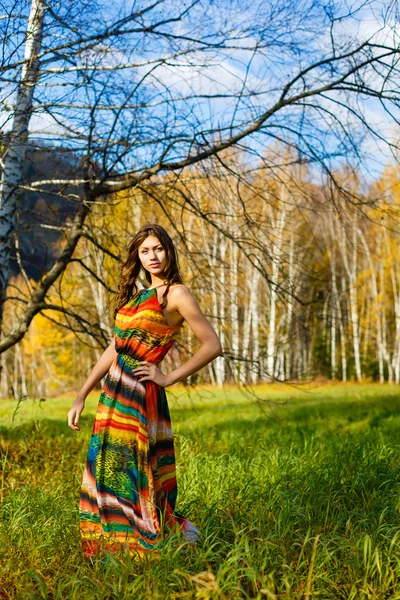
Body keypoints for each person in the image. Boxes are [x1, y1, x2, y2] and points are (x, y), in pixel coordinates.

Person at [68, 223, 223, 560]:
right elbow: (116, 348)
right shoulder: (137, 297)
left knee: (139, 469)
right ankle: (113, 546)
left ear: (168, 251)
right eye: (145, 251)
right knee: (108, 469)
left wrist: (167, 377)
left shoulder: (177, 294)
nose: (152, 256)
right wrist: (82, 394)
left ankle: (154, 539)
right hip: (113, 396)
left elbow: (212, 345)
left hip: (141, 395)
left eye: (158, 249)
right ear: (137, 257)